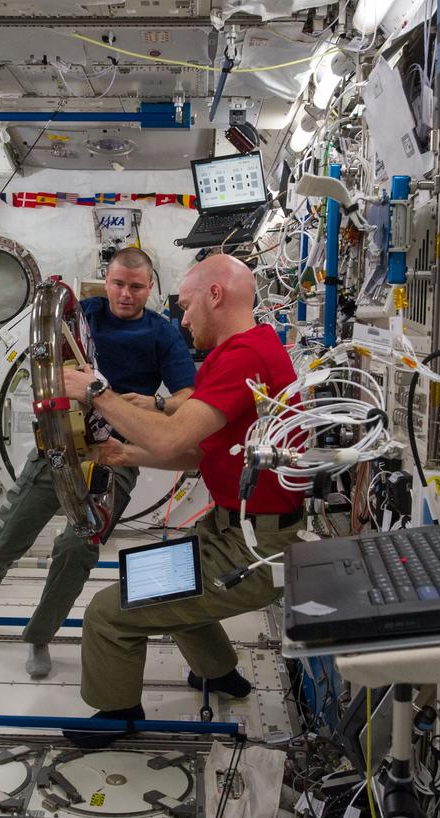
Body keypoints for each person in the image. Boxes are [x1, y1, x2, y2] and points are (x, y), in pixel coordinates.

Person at [62, 253, 305, 740]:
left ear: (215, 296)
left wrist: (97, 393)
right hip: (236, 527)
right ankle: (217, 672)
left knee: (109, 613)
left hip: (255, 547)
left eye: (187, 305)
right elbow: (198, 451)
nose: (182, 317)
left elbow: (172, 438)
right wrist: (125, 454)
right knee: (166, 575)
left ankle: (119, 714)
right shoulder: (245, 350)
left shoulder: (243, 357)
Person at [0, 247, 196, 679]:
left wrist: (156, 402)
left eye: (137, 286)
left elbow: (188, 397)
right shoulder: (82, 316)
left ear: (150, 288)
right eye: (119, 284)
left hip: (115, 455)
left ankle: (39, 635)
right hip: (57, 445)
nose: (126, 294)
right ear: (106, 280)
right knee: (3, 538)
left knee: (77, 547)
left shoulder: (162, 333)